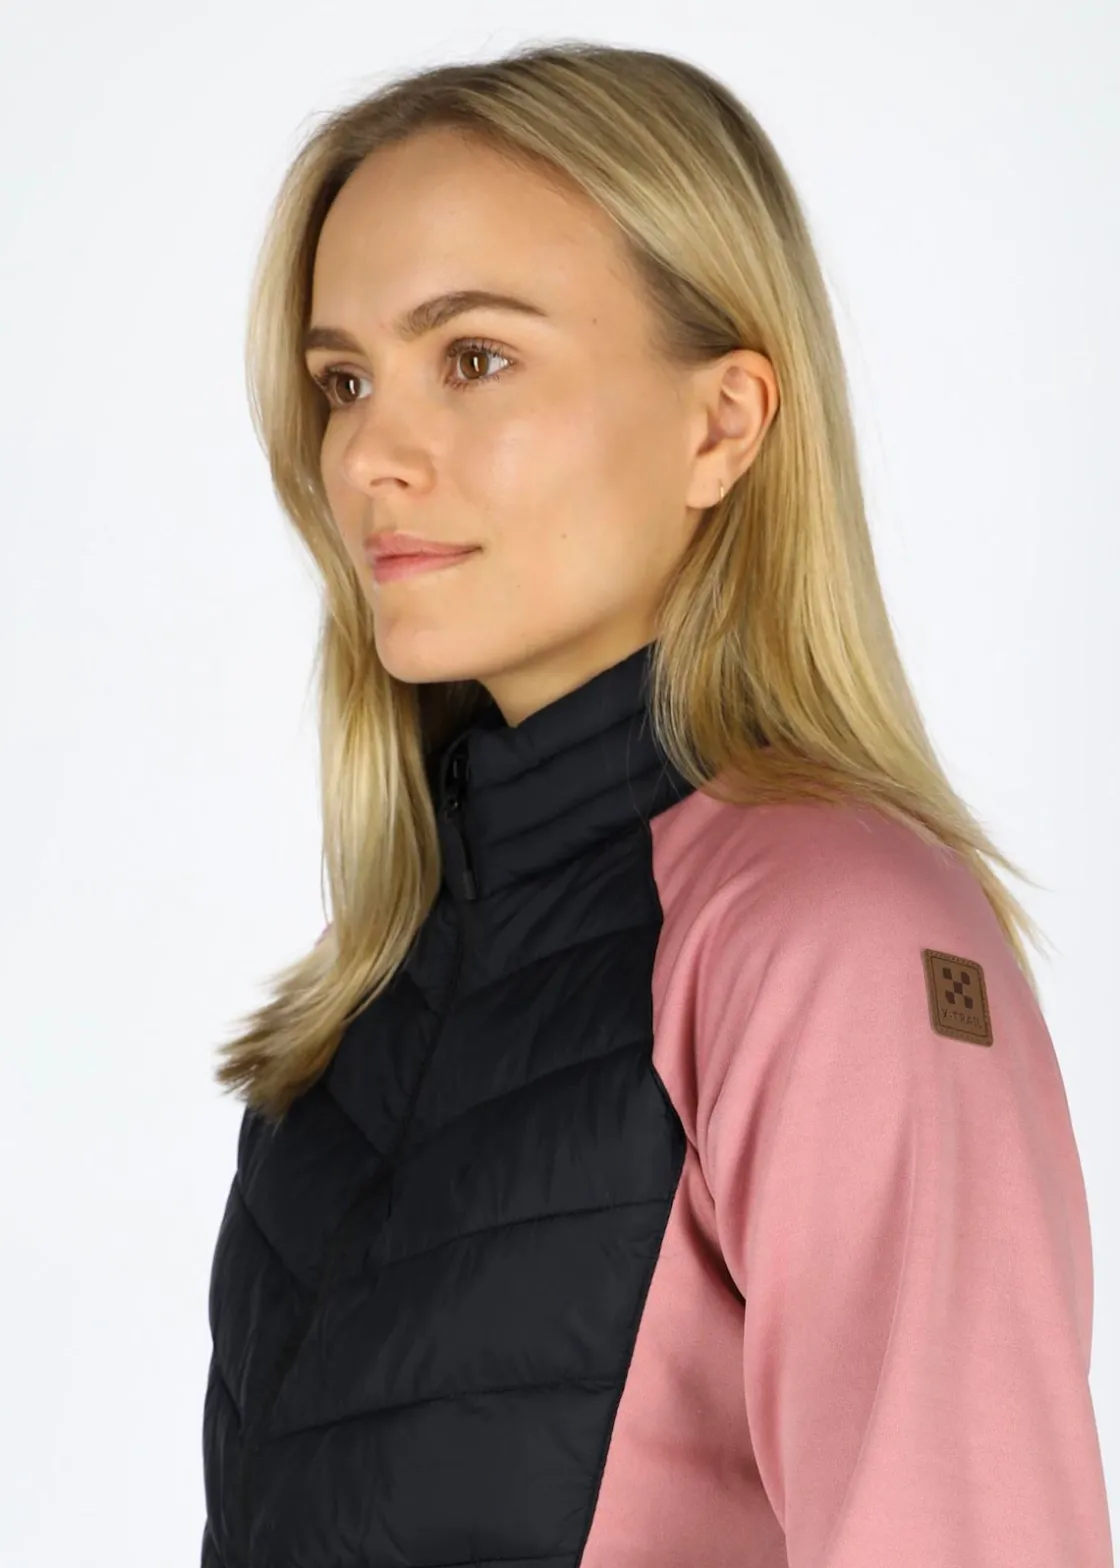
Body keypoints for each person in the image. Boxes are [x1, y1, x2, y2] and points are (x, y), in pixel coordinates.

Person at [199, 40, 1113, 1568]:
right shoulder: (375, 990)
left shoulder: (830, 937)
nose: (368, 457)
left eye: (473, 358)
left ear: (722, 424)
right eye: (343, 381)